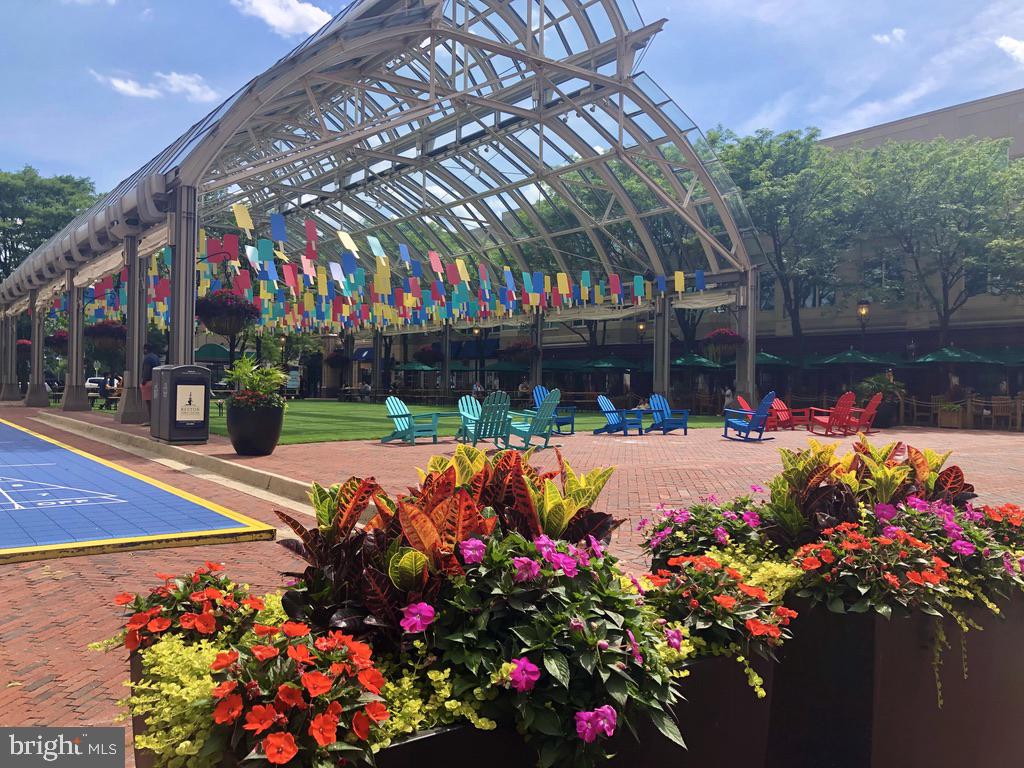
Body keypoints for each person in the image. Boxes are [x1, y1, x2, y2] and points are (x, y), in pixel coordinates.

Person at [140, 344, 160, 423]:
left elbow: (146, 371)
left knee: (149, 402)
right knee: (154, 402)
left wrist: (143, 382)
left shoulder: (147, 359)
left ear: (146, 350)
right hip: (156, 381)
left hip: (148, 382)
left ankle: (151, 421)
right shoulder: (156, 358)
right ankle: (155, 419)